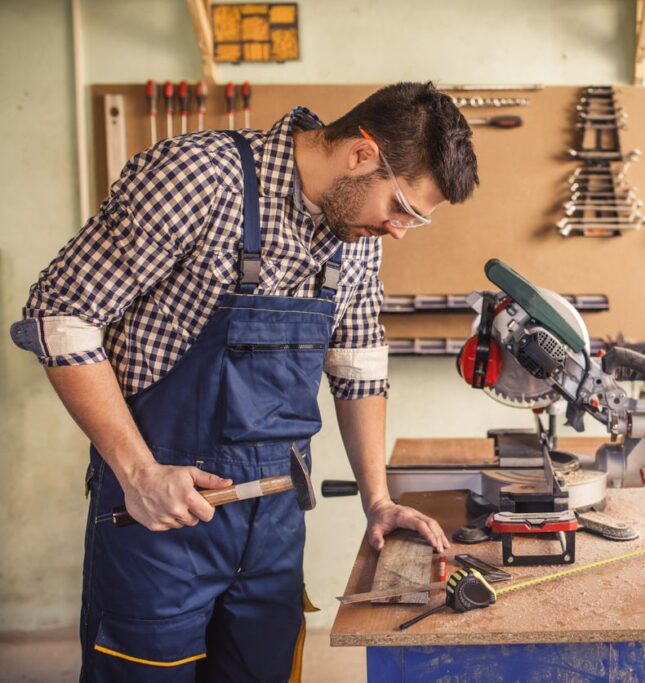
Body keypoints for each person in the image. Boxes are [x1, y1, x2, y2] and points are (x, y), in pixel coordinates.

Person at [9, 81, 478, 681]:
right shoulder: (199, 177)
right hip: (159, 519)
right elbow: (61, 315)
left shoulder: (355, 238)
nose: (398, 230)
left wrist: (378, 499)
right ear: (362, 155)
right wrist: (138, 473)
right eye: (403, 208)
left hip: (274, 522)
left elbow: (358, 358)